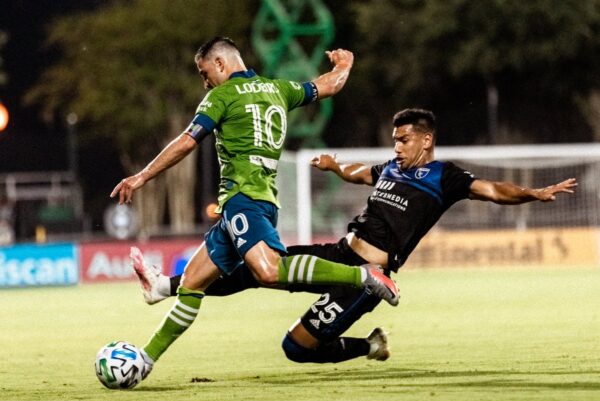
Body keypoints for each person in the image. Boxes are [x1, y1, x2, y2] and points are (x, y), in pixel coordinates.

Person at [131, 107, 577, 364]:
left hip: (368, 277)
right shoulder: (389, 169)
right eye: (395, 139)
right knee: (257, 264)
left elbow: (495, 190)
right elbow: (359, 173)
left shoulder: (444, 177)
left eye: (404, 139)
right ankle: (166, 285)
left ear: (426, 140)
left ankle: (370, 344)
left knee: (296, 349)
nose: (396, 146)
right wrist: (334, 167)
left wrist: (534, 193)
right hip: (339, 253)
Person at [110, 36, 399, 380]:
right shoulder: (278, 89)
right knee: (191, 285)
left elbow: (188, 140)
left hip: (243, 202)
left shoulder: (220, 97)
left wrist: (142, 176)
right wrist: (344, 66)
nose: (205, 82)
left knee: (269, 271)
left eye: (205, 73)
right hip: (259, 202)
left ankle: (362, 276)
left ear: (220, 64)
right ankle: (146, 359)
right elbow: (326, 86)